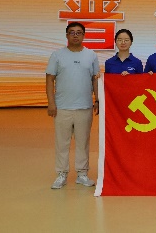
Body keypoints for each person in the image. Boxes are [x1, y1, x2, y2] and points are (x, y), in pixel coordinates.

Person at [46, 22, 99, 189]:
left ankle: (82, 174)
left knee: (83, 142)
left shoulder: (91, 55)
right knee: (62, 143)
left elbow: (95, 80)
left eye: (79, 32)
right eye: (72, 32)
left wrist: (97, 100)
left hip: (85, 107)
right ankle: (61, 174)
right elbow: (49, 80)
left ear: (84, 35)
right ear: (66, 35)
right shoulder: (57, 55)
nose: (75, 35)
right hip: (62, 107)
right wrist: (51, 103)